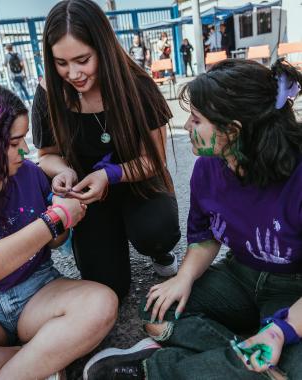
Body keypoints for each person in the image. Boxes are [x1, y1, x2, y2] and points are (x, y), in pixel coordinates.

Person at [83, 58, 302, 379]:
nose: (186, 127)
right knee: (158, 307)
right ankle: (252, 361)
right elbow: (205, 237)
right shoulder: (207, 168)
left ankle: (153, 369)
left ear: (233, 130)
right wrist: (183, 278)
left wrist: (281, 331)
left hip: (294, 292)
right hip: (240, 274)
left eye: (196, 120)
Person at [0, 81, 118, 380]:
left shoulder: (30, 175)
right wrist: (54, 219)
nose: (25, 151)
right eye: (14, 144)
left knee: (101, 303)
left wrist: (64, 217)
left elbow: (54, 243)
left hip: (37, 290)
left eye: (23, 140)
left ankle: (24, 367)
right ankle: (42, 357)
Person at [32, 0, 181, 300]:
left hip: (139, 183)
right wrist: (64, 171)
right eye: (61, 63)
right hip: (88, 196)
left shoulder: (137, 86)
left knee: (155, 232)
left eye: (82, 59)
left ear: (103, 48)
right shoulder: (48, 91)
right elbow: (45, 154)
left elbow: (155, 160)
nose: (73, 73)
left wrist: (111, 174)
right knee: (108, 287)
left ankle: (159, 251)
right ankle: (109, 236)